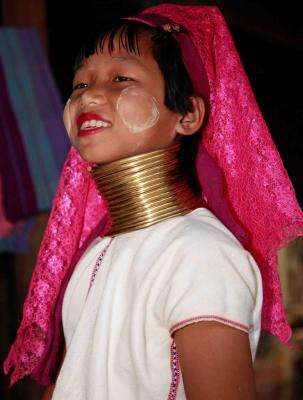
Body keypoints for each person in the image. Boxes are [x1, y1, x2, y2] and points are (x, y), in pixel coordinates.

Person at [4, 3, 303, 399]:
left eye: (121, 77)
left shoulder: (198, 252)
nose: (90, 94)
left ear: (188, 114)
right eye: (80, 85)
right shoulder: (96, 253)